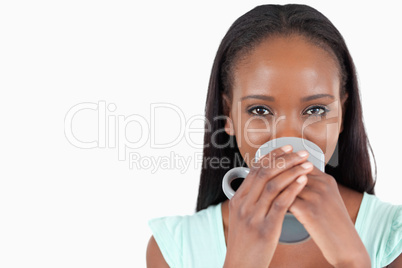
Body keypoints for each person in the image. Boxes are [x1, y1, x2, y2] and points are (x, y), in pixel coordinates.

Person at [146, 4, 402, 267]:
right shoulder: (174, 249)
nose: (289, 139)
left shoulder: (394, 237)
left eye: (315, 110)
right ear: (228, 115)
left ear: (342, 115)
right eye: (260, 110)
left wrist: (353, 259)